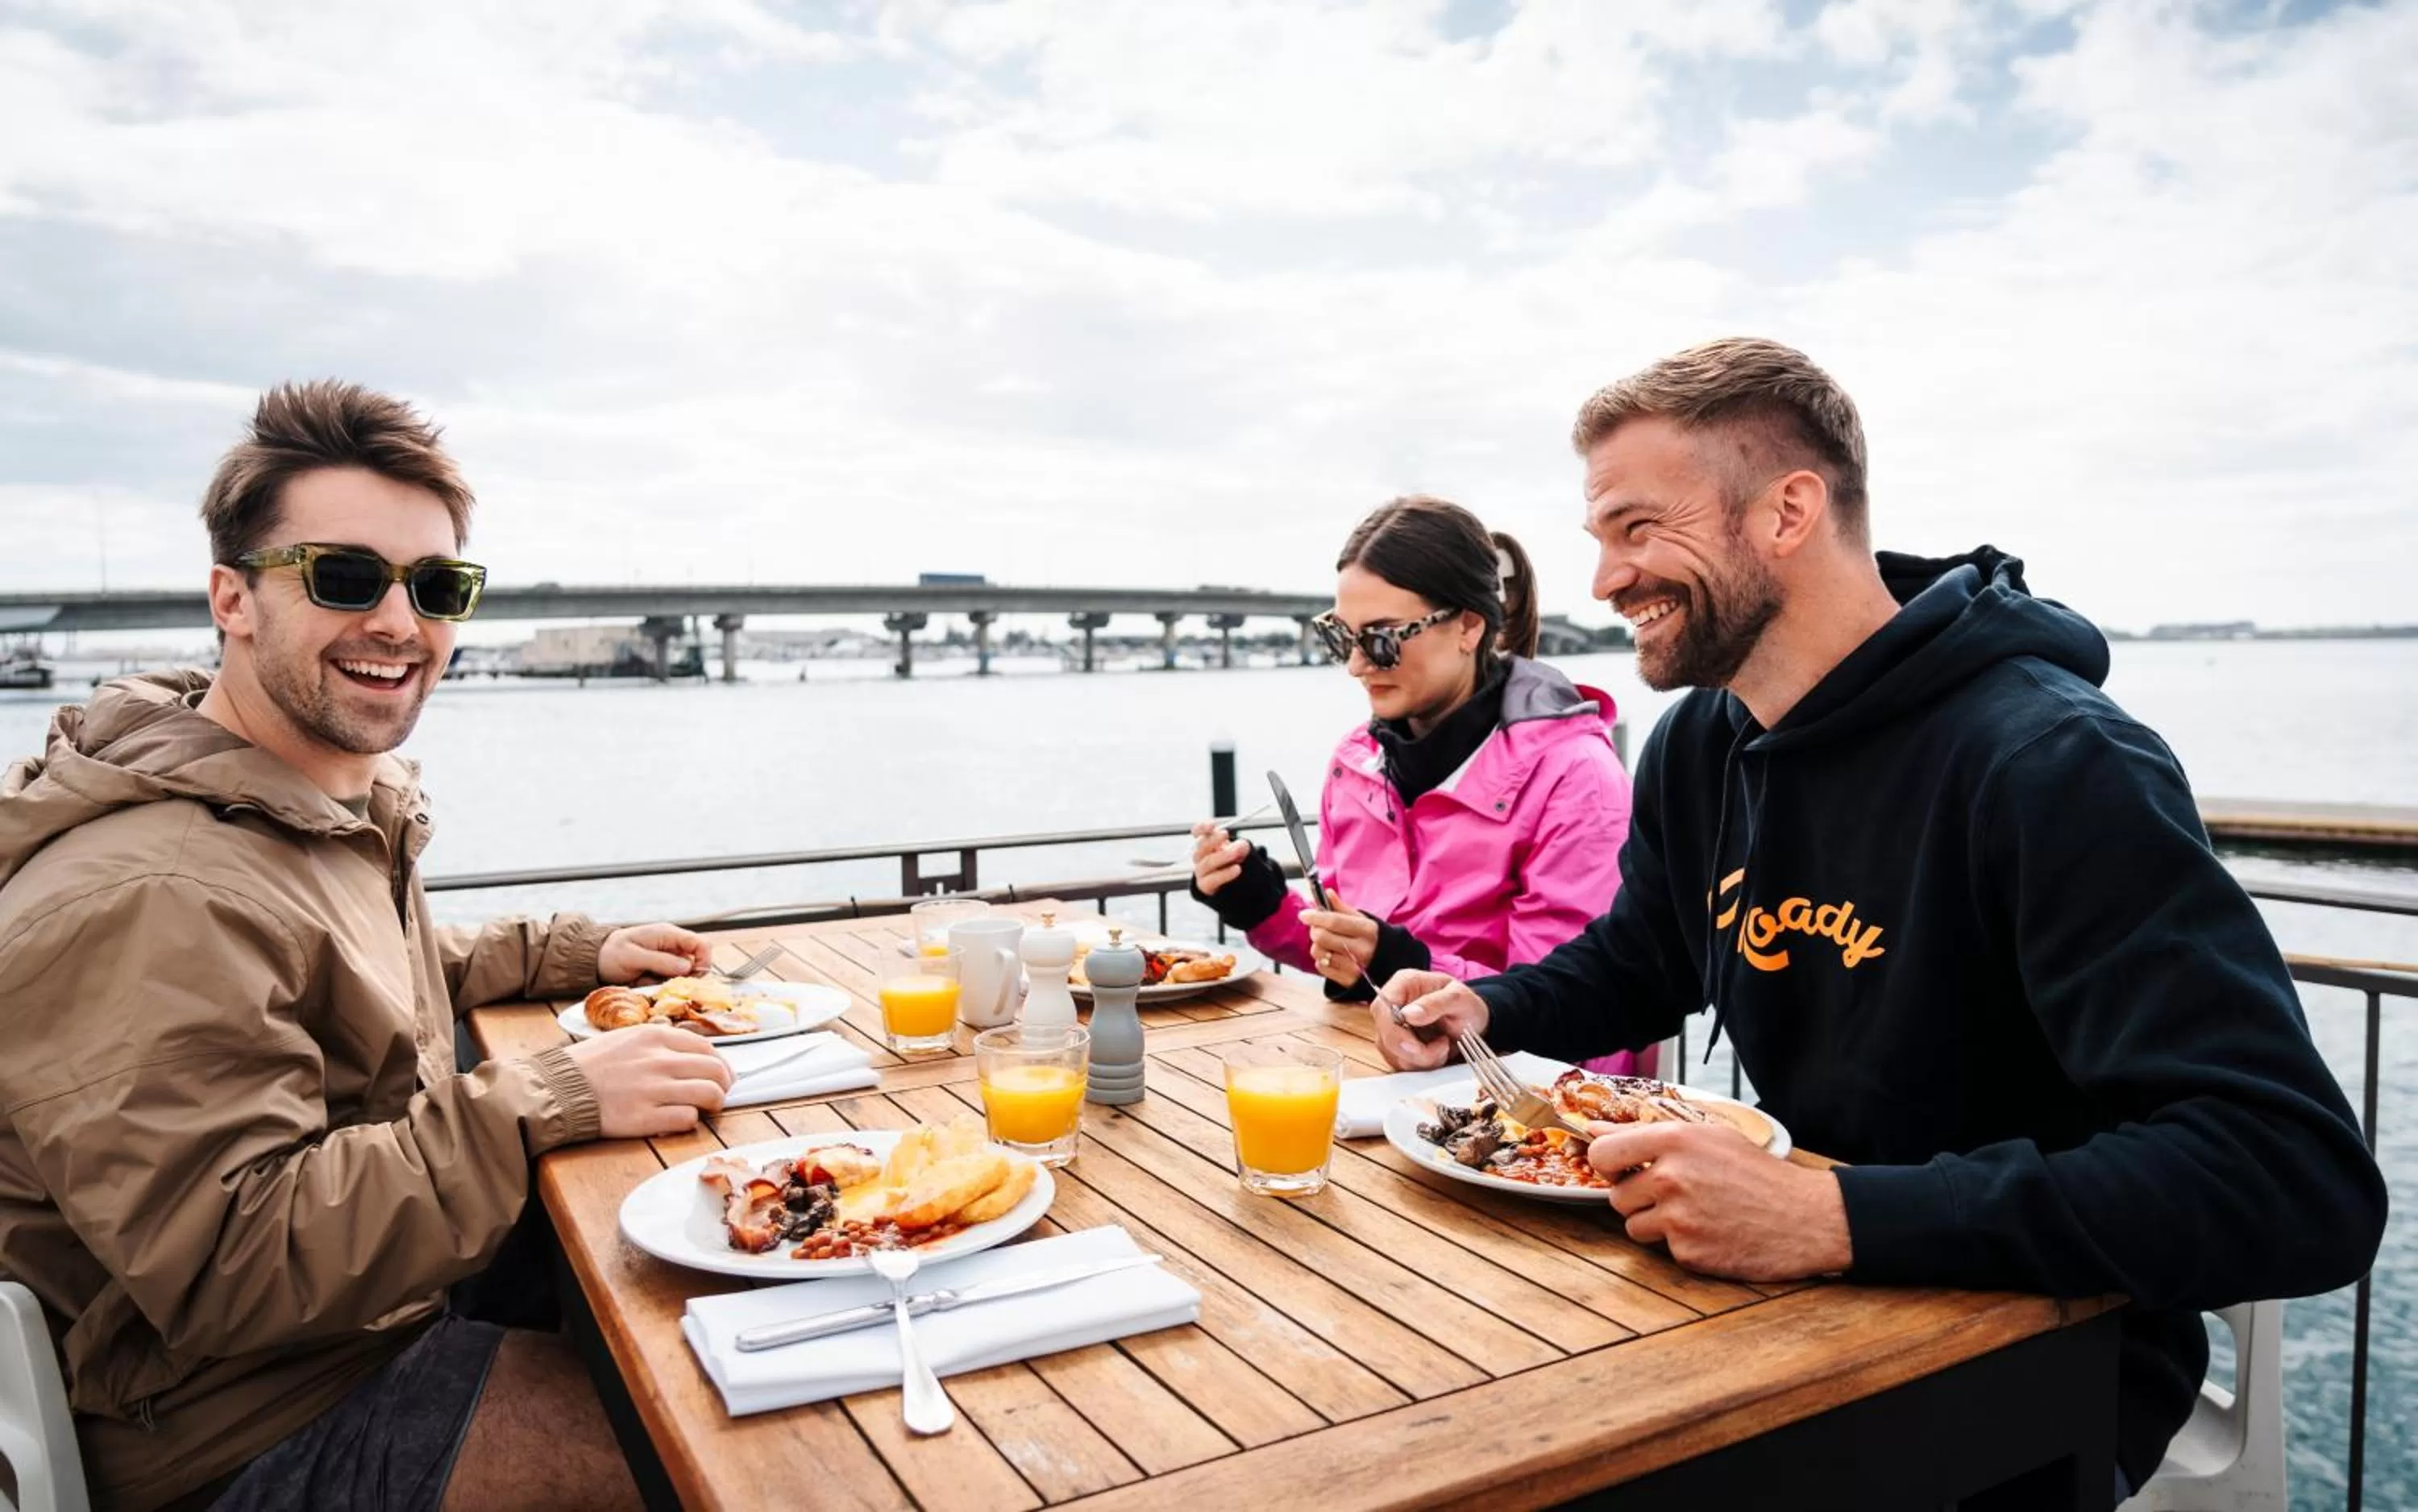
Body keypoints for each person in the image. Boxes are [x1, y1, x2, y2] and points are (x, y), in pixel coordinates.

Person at [1372, 339, 2386, 1502]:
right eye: (1599, 536)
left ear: (1789, 510)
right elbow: (1648, 955)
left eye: (1636, 528)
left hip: (2041, 1369)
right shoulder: (1709, 738)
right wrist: (1491, 1006)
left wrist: (1838, 1215)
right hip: (1791, 1317)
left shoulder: (2053, 763)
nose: (1602, 579)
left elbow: (2294, 1178)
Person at [0, 381, 737, 1512]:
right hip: (246, 1427)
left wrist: (569, 950)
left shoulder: (286, 801)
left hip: (352, 1324)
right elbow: (228, 1262)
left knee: (723, 1281)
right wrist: (543, 1098)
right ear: (231, 599)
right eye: (345, 577)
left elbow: (344, 972)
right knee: (715, 1450)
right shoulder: (151, 891)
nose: (400, 621)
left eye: (439, 585)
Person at [1191, 496, 1649, 1074]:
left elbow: (1576, 999)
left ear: (1468, 627)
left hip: (1534, 1115)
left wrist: (1397, 959)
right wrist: (1259, 904)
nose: (1357, 665)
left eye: (1383, 638)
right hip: (1386, 1081)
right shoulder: (1356, 762)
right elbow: (1347, 956)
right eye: (1341, 638)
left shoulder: (1576, 777)